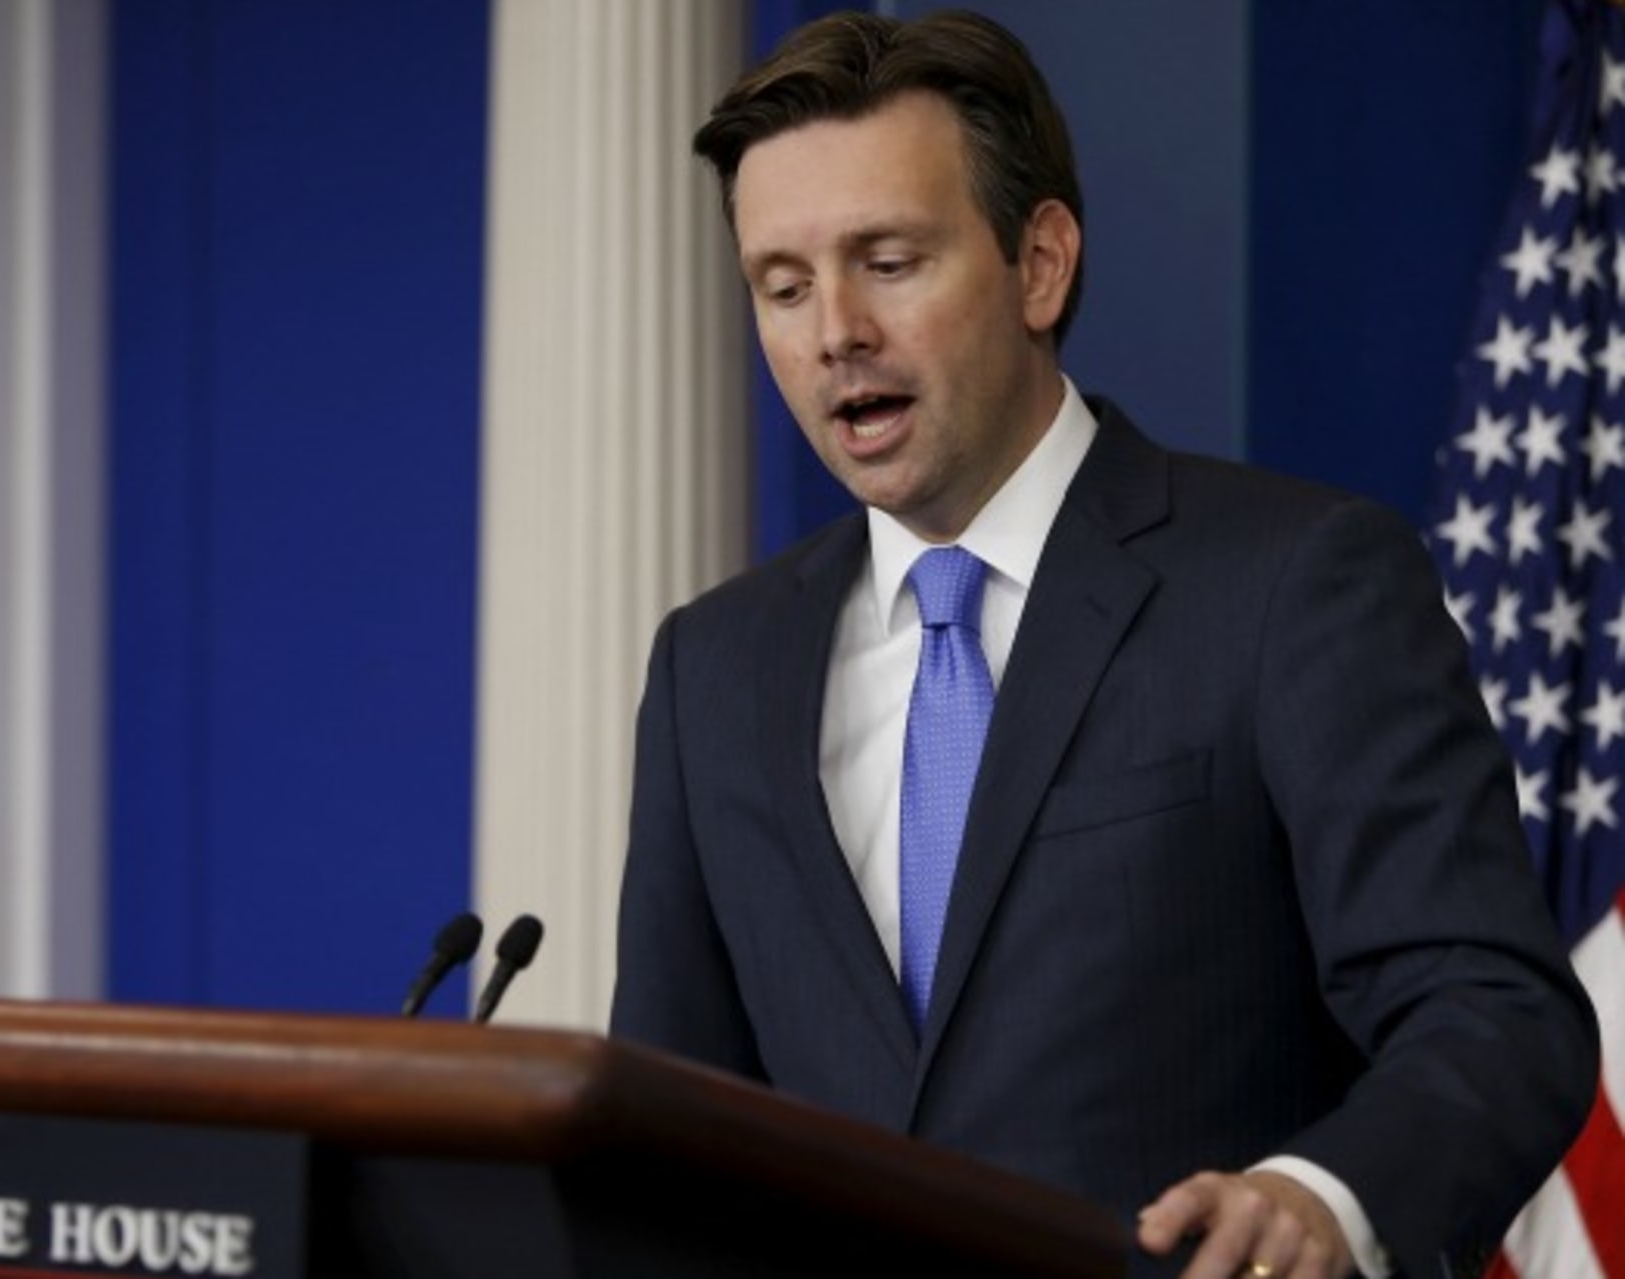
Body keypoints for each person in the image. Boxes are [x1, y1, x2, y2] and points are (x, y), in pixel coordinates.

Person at [607, 11, 1598, 1279]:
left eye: (888, 261)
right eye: (783, 286)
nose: (832, 331)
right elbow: (668, 1136)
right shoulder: (713, 670)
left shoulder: (1296, 582)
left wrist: (1324, 1200)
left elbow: (1496, 1007)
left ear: (1041, 264)